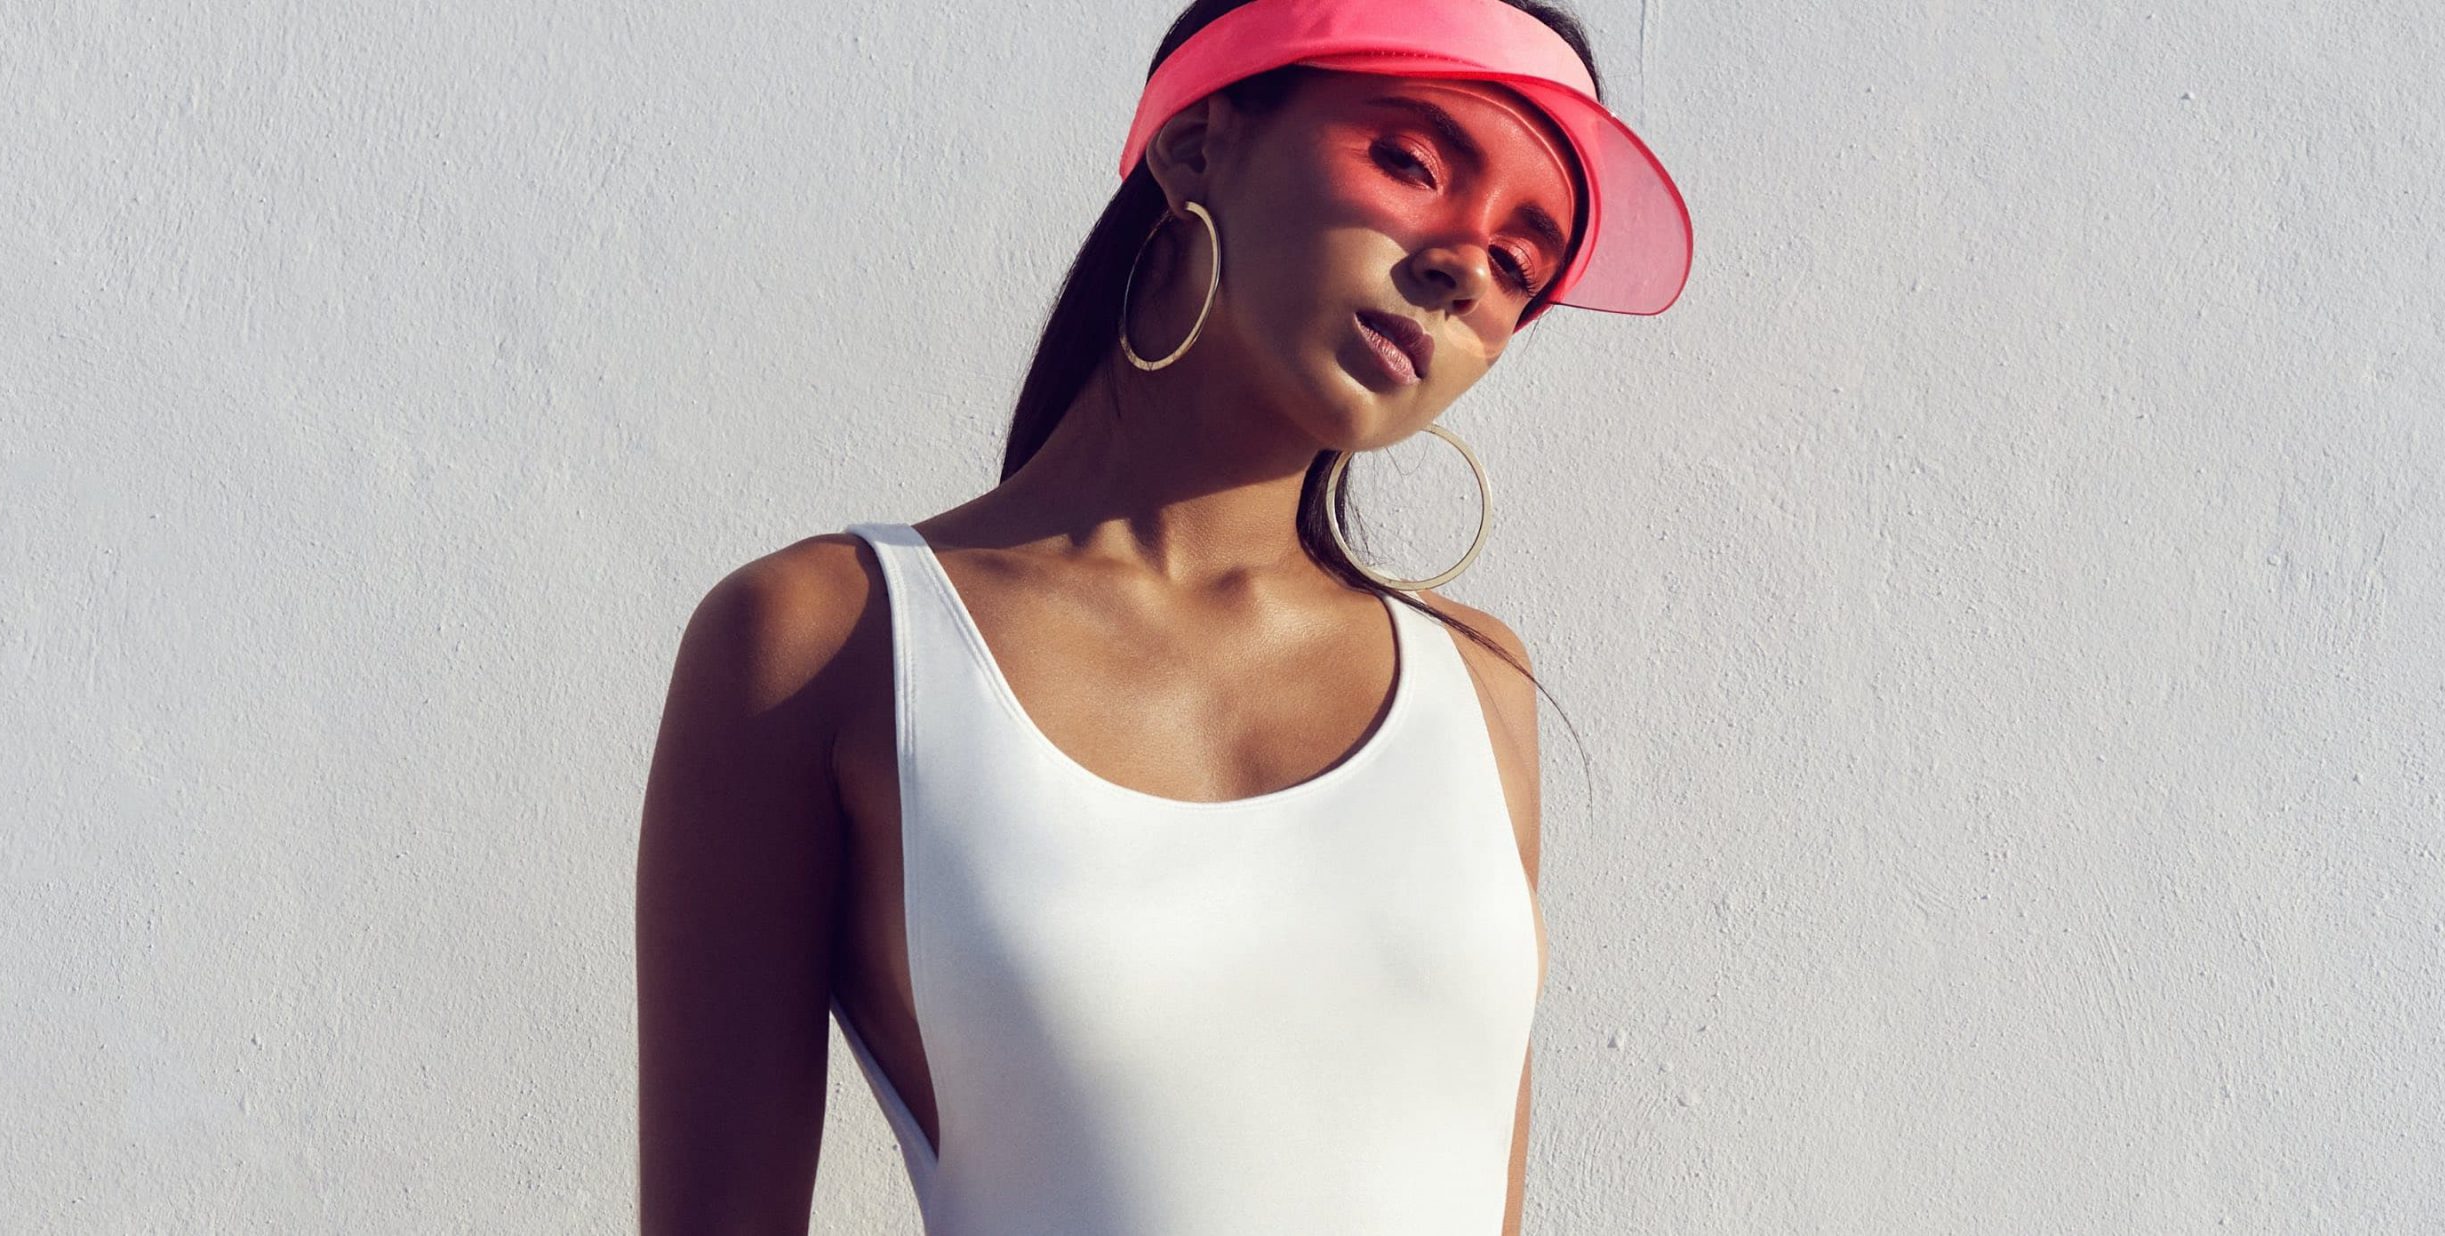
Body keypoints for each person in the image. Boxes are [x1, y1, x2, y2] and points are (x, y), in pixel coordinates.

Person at [635, 0, 1691, 1231]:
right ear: (1196, 145)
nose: (1464, 263)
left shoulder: (1478, 684)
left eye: (1519, 264)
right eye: (1410, 162)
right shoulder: (828, 638)